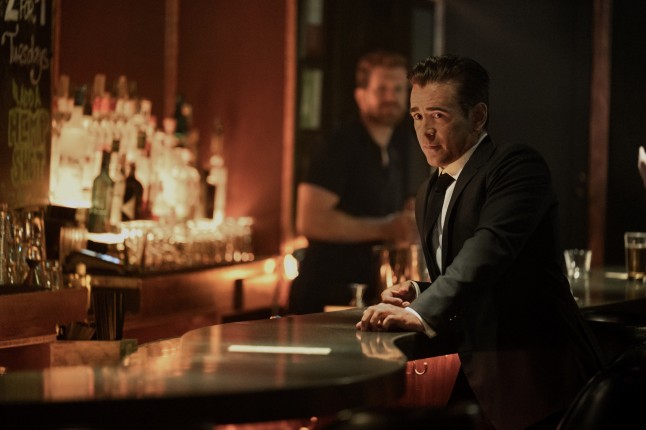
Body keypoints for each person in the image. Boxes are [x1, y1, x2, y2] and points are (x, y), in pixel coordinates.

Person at [356, 55, 604, 430]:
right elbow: (478, 281)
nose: (425, 131)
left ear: (477, 117)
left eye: (438, 115)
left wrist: (421, 311)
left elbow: (489, 251)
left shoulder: (515, 165)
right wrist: (419, 290)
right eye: (417, 116)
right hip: (482, 378)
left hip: (540, 379)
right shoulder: (428, 191)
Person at [288, 50, 427, 314]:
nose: (391, 97)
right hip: (325, 295)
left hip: (364, 293)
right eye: (382, 89)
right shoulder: (337, 146)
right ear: (360, 96)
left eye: (398, 89)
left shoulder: (393, 153)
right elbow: (310, 221)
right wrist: (388, 227)